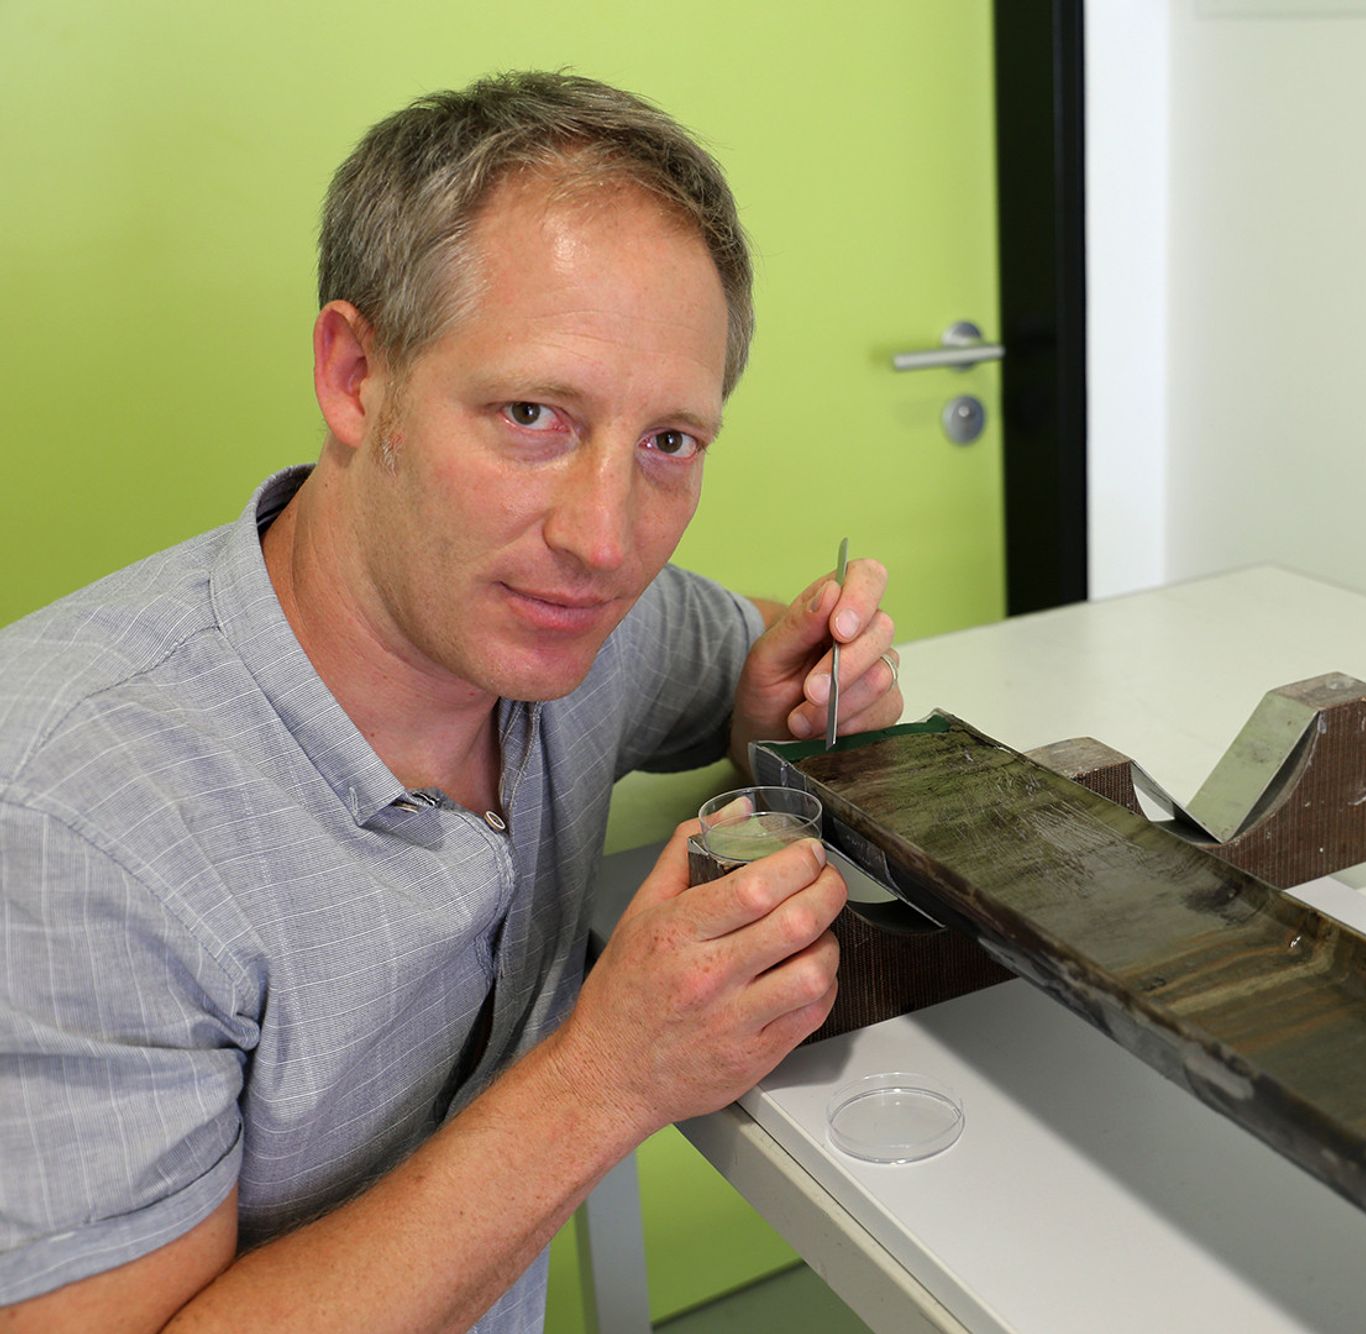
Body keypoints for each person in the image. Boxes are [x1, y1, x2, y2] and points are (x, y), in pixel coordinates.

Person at [0, 71, 901, 1332]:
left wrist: (775, 696)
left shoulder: (575, 615)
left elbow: (745, 653)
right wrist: (607, 1078)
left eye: (668, 444)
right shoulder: (68, 816)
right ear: (358, 373)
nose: (602, 539)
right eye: (532, 413)